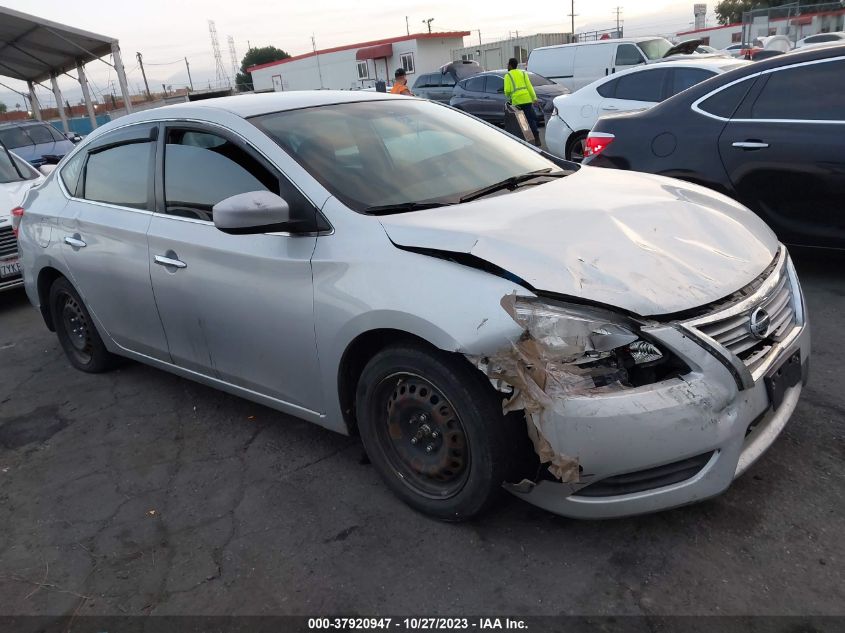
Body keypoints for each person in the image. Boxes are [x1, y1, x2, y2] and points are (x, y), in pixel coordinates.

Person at [503, 57, 540, 146]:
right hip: (527, 100)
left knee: (521, 122)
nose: (507, 65)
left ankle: (526, 140)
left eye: (508, 64)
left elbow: (507, 90)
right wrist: (534, 98)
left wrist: (509, 98)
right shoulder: (523, 73)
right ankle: (536, 137)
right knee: (531, 120)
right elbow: (529, 86)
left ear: (511, 65)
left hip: (517, 102)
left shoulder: (508, 75)